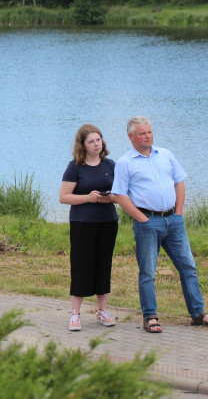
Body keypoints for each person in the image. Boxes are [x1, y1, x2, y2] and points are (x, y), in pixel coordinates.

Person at [111, 116, 208, 333]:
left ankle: (198, 313)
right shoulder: (125, 163)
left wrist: (179, 213)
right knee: (148, 272)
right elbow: (119, 195)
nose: (148, 136)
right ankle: (150, 317)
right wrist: (142, 219)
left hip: (173, 220)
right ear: (131, 137)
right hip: (147, 222)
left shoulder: (165, 155)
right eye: (143, 133)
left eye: (150, 132)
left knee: (188, 267)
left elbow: (178, 181)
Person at [58, 124, 118, 331]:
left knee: (104, 264)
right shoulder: (75, 166)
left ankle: (102, 310)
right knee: (82, 265)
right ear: (82, 145)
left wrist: (108, 198)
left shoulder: (111, 165)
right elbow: (64, 197)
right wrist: (88, 198)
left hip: (108, 222)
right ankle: (75, 314)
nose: (96, 144)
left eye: (98, 140)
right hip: (82, 223)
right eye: (91, 141)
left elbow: (120, 195)